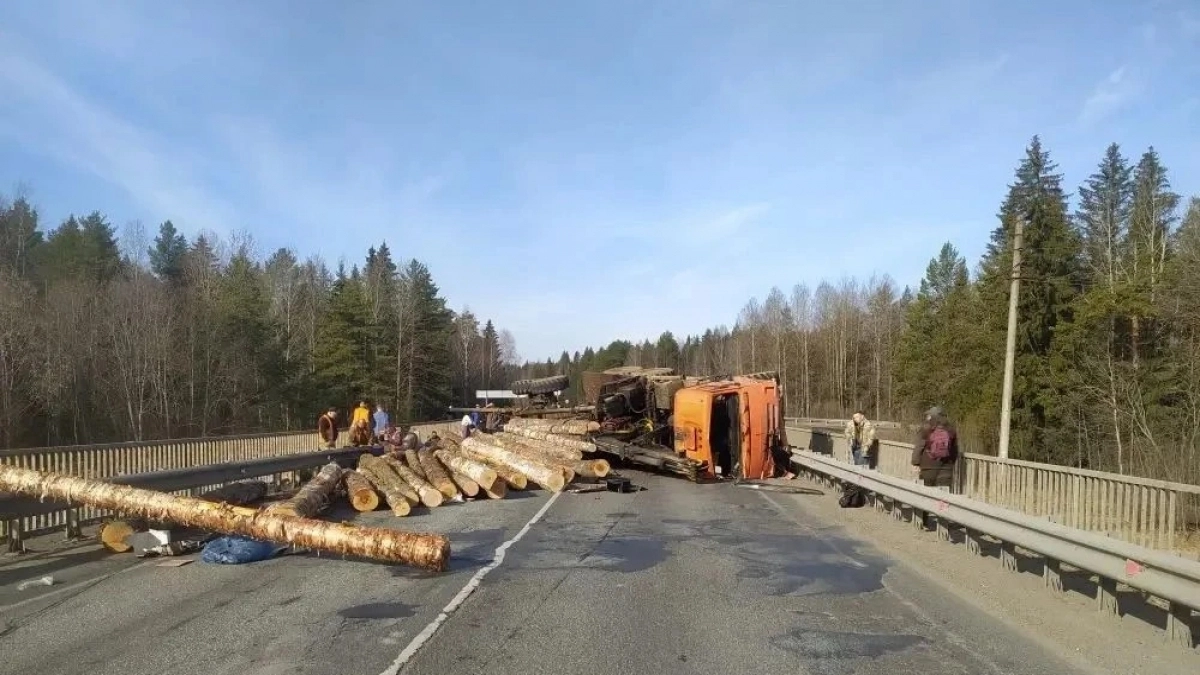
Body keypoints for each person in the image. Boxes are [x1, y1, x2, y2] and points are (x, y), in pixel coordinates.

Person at [911, 406, 958, 489]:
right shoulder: (951, 429)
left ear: (932, 416)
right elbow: (954, 450)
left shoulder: (926, 428)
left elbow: (919, 446)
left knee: (927, 493)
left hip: (928, 468)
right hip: (946, 468)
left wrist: (915, 463)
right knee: (943, 494)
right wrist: (951, 462)